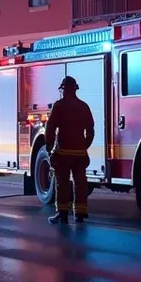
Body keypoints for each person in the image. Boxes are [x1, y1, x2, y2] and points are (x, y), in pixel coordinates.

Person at [43, 77, 95, 225]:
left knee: (62, 183)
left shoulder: (59, 106)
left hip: (64, 153)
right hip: (80, 154)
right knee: (80, 183)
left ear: (64, 90)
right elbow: (90, 129)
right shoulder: (83, 106)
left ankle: (62, 213)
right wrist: (85, 145)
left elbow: (51, 128)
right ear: (75, 89)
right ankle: (80, 213)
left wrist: (49, 146)